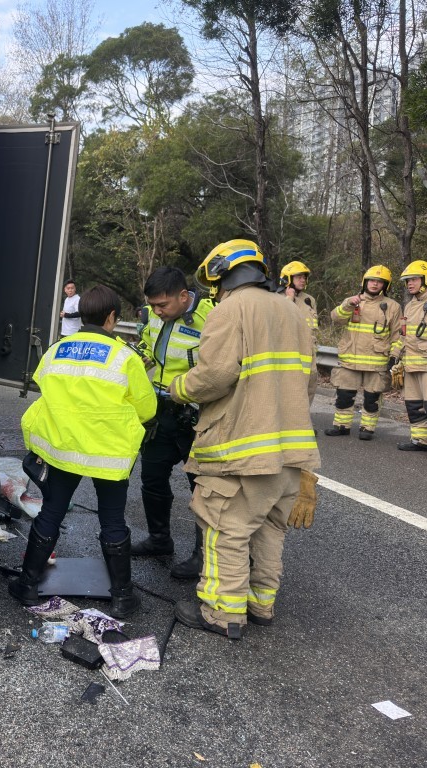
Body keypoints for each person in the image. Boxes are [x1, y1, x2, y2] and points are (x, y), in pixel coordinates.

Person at [168, 239, 320, 639]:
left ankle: (222, 613)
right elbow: (309, 382)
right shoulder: (294, 312)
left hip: (243, 450)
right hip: (291, 452)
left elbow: (214, 376)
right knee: (271, 528)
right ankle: (261, 604)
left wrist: (179, 387)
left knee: (226, 529)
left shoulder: (228, 310)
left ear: (221, 274)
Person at [10, 284, 157, 618]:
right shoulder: (125, 357)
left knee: (51, 512)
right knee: (112, 520)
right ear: (111, 318)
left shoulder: (57, 350)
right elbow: (147, 410)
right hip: (108, 454)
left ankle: (28, 587)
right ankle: (122, 598)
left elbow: (42, 385)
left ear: (82, 314)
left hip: (64, 450)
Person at [131, 266, 215, 581]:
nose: (157, 311)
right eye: (152, 305)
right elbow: (146, 351)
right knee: (152, 478)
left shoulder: (212, 318)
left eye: (162, 305)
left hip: (199, 414)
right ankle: (159, 540)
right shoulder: (153, 316)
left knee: (203, 488)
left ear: (184, 296)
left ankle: (203, 556)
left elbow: (217, 369)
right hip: (161, 411)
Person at [324, 265, 402, 440]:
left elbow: (398, 335)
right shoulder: (353, 301)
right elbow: (335, 318)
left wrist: (394, 356)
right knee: (344, 396)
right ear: (365, 282)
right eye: (372, 281)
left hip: (376, 361)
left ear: (385, 286)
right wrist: (347, 304)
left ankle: (367, 429)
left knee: (371, 399)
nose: (374, 284)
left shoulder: (392, 307)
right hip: (349, 359)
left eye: (379, 282)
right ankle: (341, 426)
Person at [395, 260, 427, 459]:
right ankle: (421, 440)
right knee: (414, 405)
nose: (409, 284)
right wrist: (394, 356)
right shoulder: (409, 306)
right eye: (407, 281)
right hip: (411, 364)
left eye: (414, 279)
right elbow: (403, 336)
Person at [280, 260, 320, 401]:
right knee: (289, 391)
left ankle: (303, 420)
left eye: (304, 277)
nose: (303, 280)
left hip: (309, 352)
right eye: (298, 277)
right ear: (287, 278)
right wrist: (289, 299)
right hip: (288, 352)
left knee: (309, 388)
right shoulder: (277, 297)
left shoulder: (309, 300)